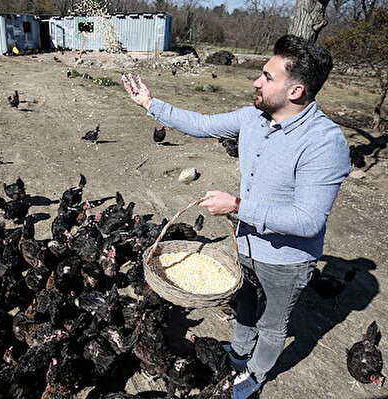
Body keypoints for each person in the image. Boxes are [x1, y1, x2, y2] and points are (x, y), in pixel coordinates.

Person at [122, 34, 350, 399]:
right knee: (244, 300)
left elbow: (309, 220)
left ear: (296, 91)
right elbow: (201, 123)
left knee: (274, 326)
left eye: (267, 77)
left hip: (287, 259)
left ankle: (255, 375)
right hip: (244, 242)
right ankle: (241, 351)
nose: (256, 82)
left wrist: (239, 208)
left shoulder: (325, 143)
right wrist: (151, 104)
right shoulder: (252, 119)